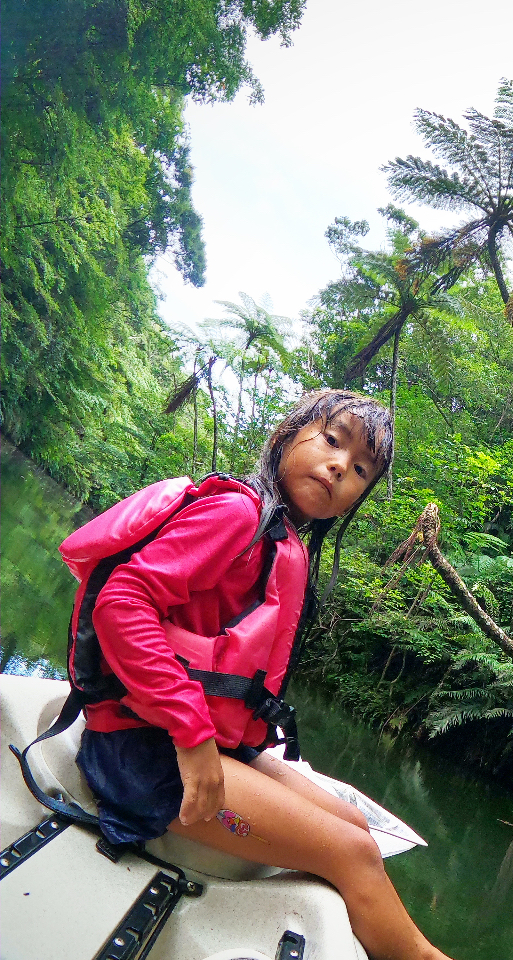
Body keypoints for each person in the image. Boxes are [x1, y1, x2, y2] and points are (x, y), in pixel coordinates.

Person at [73, 389, 454, 960]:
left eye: (358, 470)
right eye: (331, 440)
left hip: (203, 742)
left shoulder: (283, 539)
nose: (337, 468)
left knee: (352, 821)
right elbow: (121, 602)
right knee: (354, 853)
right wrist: (194, 737)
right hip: (143, 749)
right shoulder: (238, 513)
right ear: (286, 434)